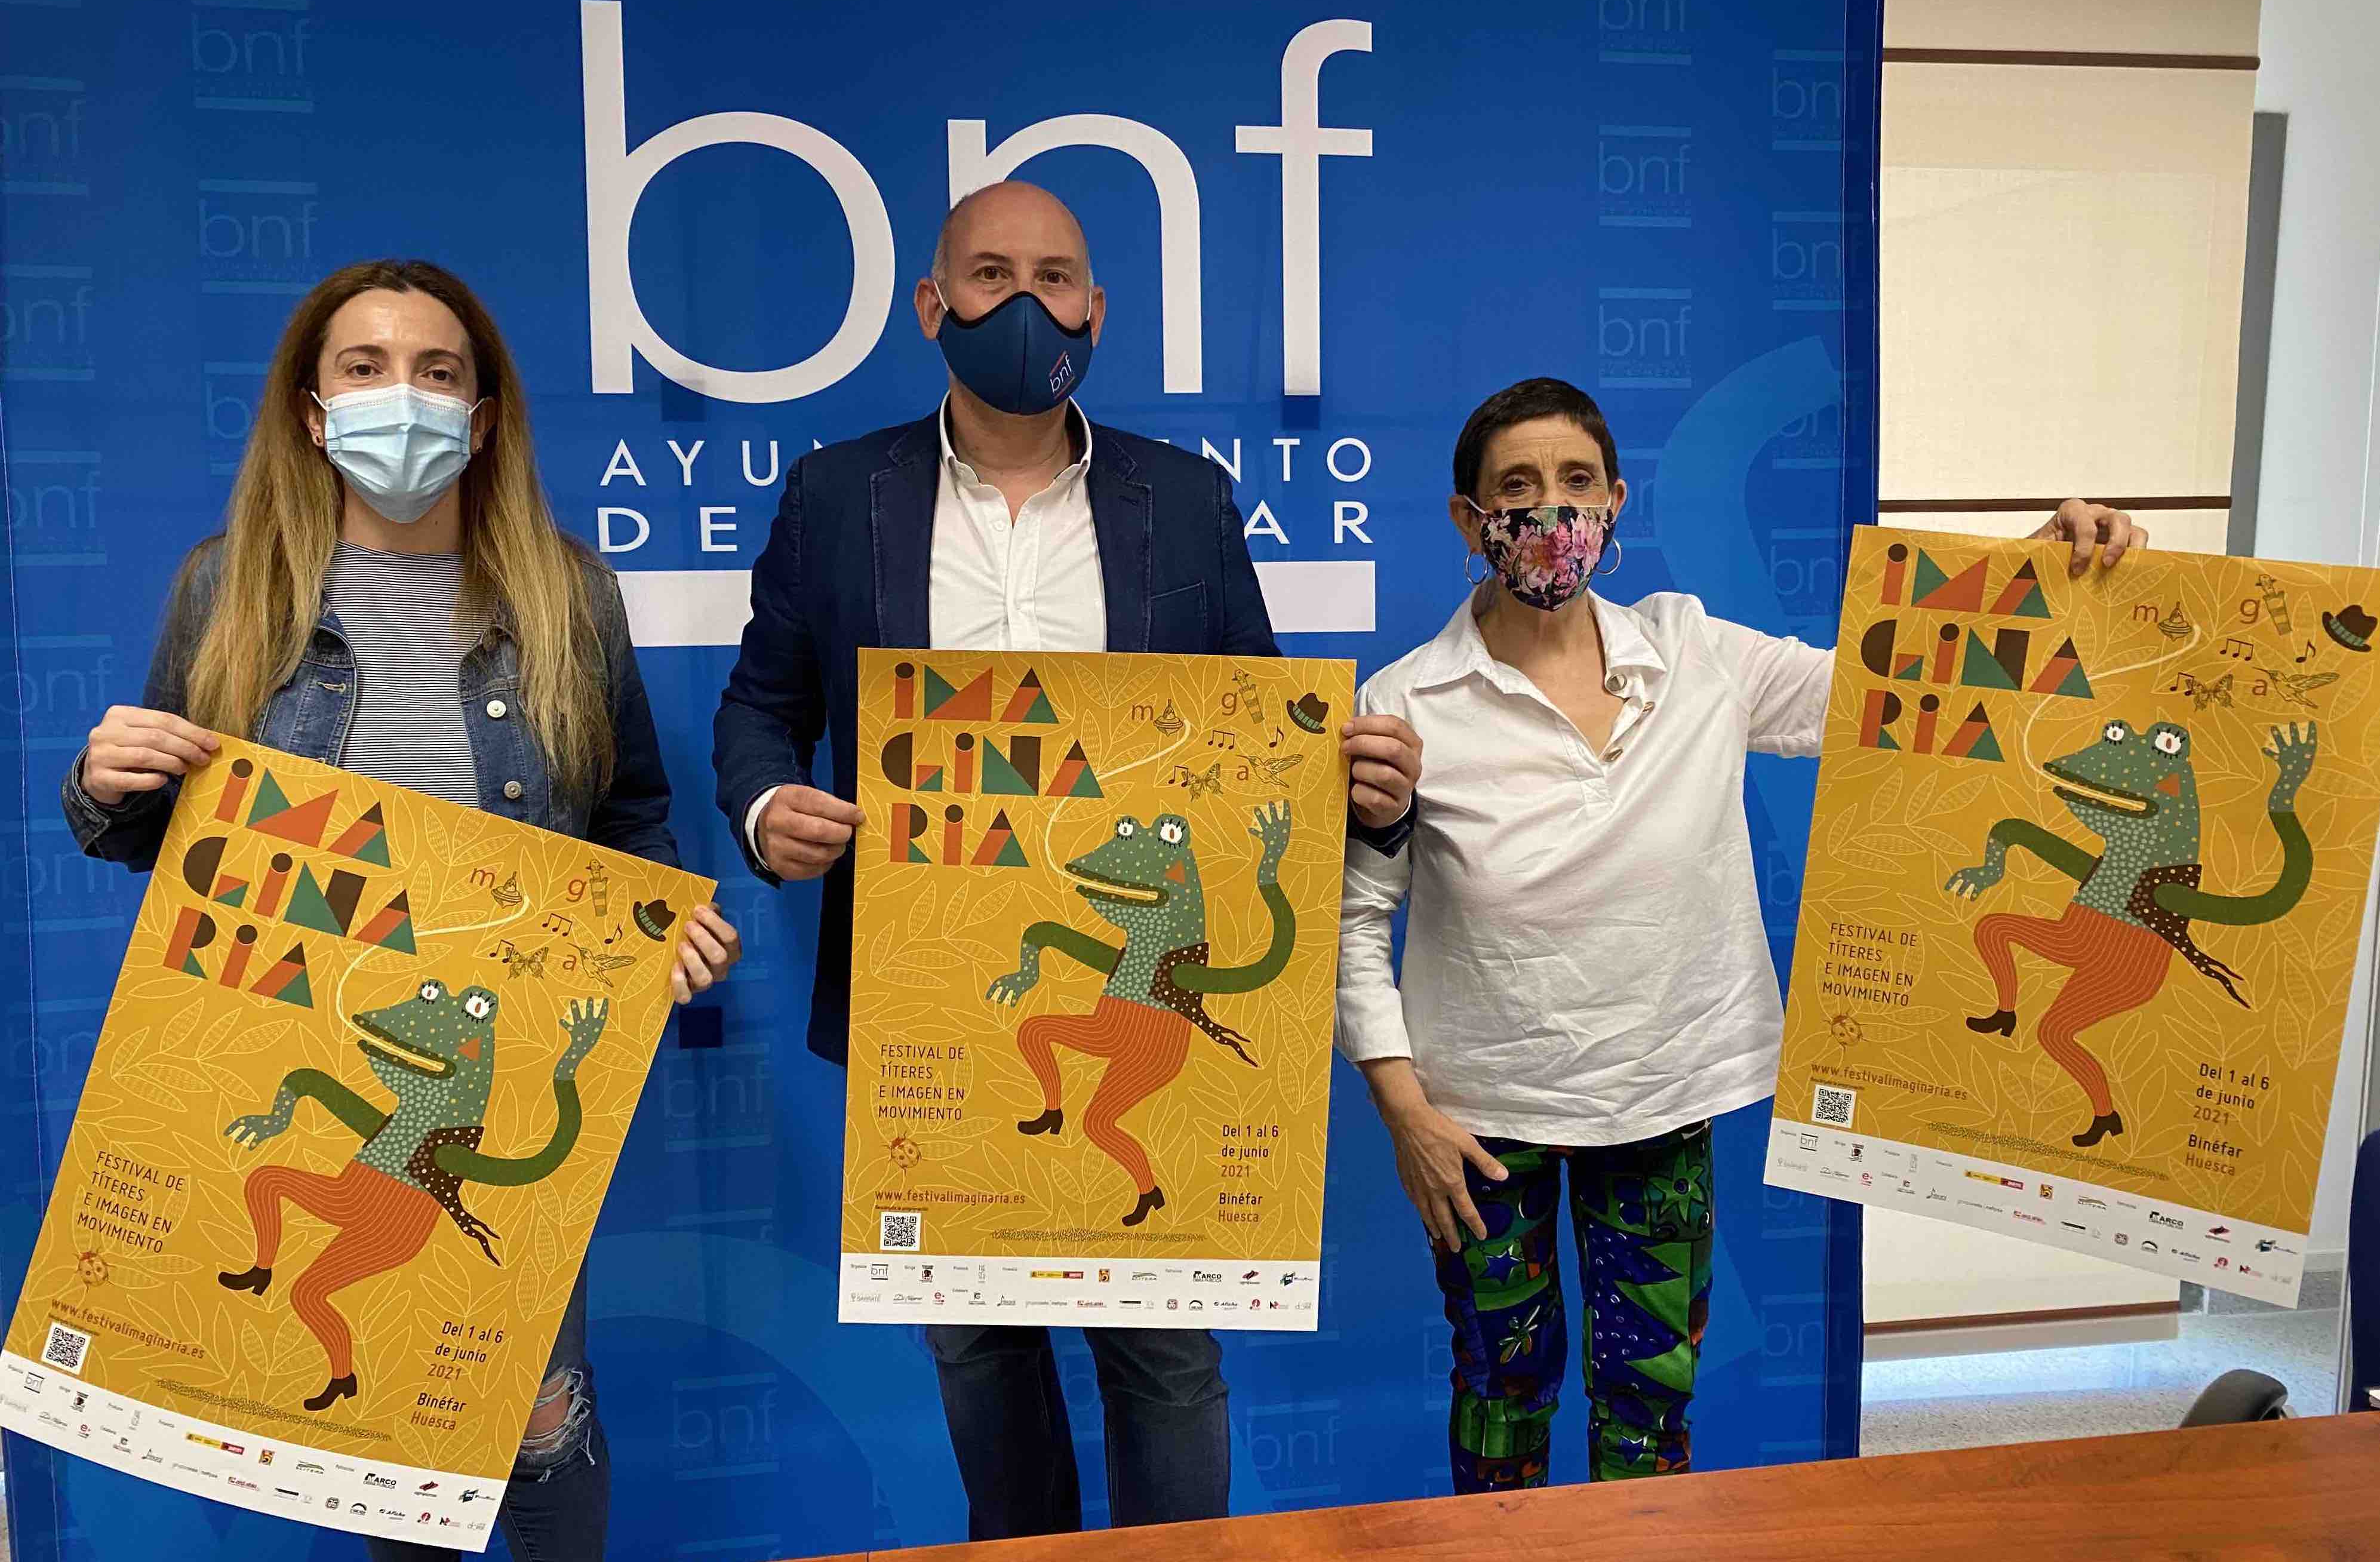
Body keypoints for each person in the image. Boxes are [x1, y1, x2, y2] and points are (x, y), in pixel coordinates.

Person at [712, 180, 1422, 1538]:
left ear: (1097, 308)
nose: (1024, 303)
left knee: (1166, 1347)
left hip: (1139, 989)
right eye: (990, 275)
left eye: (1053, 277)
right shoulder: (837, 493)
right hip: (923, 988)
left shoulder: (1186, 499)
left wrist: (1363, 795)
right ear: (933, 306)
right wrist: (765, 809)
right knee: (976, 1347)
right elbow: (761, 704)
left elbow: (1253, 733)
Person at [1335, 376, 2143, 1492]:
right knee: (1500, 1394)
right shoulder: (1405, 703)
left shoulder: (1694, 652)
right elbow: (1354, 919)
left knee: (1648, 1407)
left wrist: (2040, 563)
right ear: (1469, 520)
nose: (1549, 511)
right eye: (1515, 488)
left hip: (1664, 1096)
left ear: (1615, 502)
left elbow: (1892, 675)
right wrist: (1404, 1112)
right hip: (1479, 1121)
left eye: (1576, 481)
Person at [64, 258, 742, 1562]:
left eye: (438, 372)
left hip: (495, 1082)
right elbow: (160, 836)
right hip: (290, 1041)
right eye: (365, 368)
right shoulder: (226, 589)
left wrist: (660, 927)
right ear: (312, 410)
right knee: (382, 1418)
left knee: (536, 1411)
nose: (404, 395)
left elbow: (632, 817)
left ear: (481, 417)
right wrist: (101, 780)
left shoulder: (567, 596)